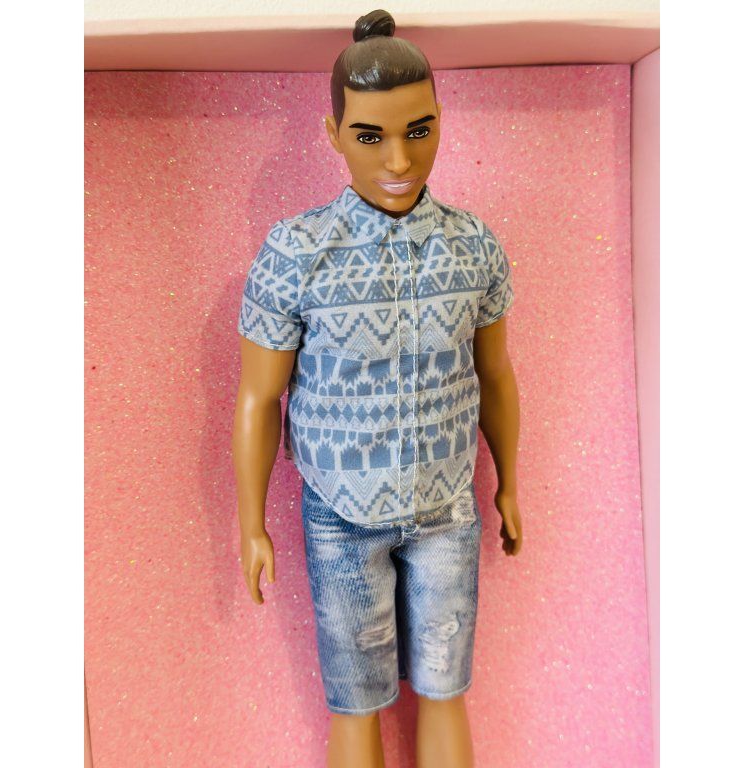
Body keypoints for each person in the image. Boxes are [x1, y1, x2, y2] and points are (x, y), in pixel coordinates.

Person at [233, 9, 522, 767]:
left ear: (440, 122)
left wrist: (509, 483)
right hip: (340, 508)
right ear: (333, 134)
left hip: (446, 504)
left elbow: (494, 372)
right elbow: (259, 398)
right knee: (355, 703)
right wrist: (251, 522)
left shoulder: (474, 246)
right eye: (370, 136)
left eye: (419, 130)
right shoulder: (295, 254)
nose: (399, 158)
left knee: (446, 689)